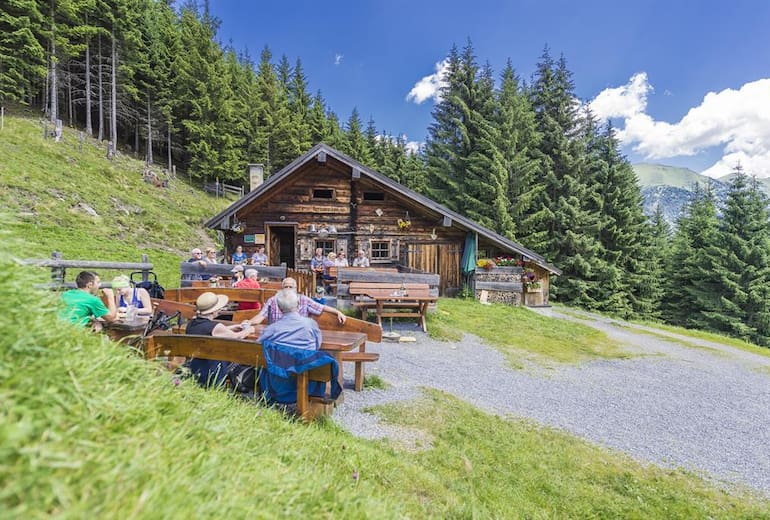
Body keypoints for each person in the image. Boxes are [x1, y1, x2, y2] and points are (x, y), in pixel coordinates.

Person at [185, 292, 254, 386]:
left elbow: (208, 331)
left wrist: (231, 327)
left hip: (196, 365)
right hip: (212, 368)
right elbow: (237, 337)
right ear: (214, 311)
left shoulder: (191, 324)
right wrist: (249, 330)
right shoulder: (216, 327)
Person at [249, 277, 346, 325]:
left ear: (295, 288)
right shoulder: (273, 300)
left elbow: (321, 307)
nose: (288, 289)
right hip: (279, 334)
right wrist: (249, 323)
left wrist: (337, 312)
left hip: (298, 332)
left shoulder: (303, 299)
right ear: (282, 288)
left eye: (290, 287)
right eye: (285, 286)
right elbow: (261, 316)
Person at [257, 289, 321, 351]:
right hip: (307, 361)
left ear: (279, 307)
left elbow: (258, 347)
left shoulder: (271, 329)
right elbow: (317, 345)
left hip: (282, 361)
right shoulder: (311, 324)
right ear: (298, 304)